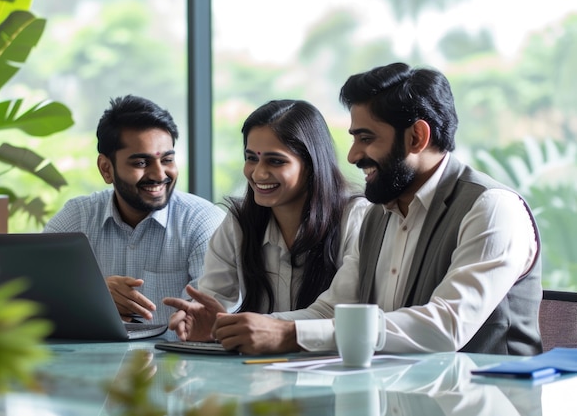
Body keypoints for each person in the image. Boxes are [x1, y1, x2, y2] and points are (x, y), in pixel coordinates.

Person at [171, 63, 542, 356]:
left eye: (366, 138)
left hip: (487, 400)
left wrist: (288, 333)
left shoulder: (490, 208)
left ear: (417, 137)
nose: (352, 156)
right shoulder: (379, 213)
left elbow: (446, 326)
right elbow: (331, 311)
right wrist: (236, 329)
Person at [163, 99, 368, 343]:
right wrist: (199, 320)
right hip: (259, 372)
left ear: (312, 164)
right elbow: (213, 299)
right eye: (251, 158)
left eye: (276, 161)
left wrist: (260, 326)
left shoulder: (355, 217)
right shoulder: (238, 222)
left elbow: (340, 313)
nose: (258, 173)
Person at [43, 95, 225, 331]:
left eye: (167, 159)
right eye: (141, 163)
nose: (159, 174)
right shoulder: (77, 216)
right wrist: (93, 292)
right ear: (106, 169)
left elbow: (214, 308)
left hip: (175, 362)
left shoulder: (203, 221)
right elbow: (29, 289)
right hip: (93, 363)